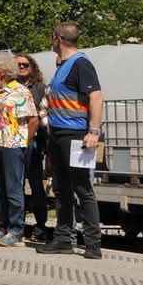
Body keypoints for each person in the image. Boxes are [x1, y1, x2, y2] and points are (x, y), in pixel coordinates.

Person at [38, 23, 104, 259]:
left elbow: (96, 96)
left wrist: (93, 131)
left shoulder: (80, 64)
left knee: (82, 189)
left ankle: (93, 245)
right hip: (58, 135)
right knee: (61, 189)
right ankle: (63, 239)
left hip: (76, 136)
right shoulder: (63, 65)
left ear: (57, 39)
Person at [0, 55, 38, 247]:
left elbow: (33, 120)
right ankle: (2, 226)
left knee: (13, 189)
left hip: (12, 146)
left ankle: (16, 230)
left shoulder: (20, 91)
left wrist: (24, 143)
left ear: (3, 72)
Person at [16, 53, 49, 242]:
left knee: (36, 185)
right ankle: (17, 225)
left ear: (32, 66)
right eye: (18, 65)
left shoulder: (39, 88)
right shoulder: (11, 87)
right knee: (16, 185)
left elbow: (44, 113)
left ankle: (41, 227)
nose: (21, 67)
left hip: (33, 142)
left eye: (25, 64)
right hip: (13, 141)